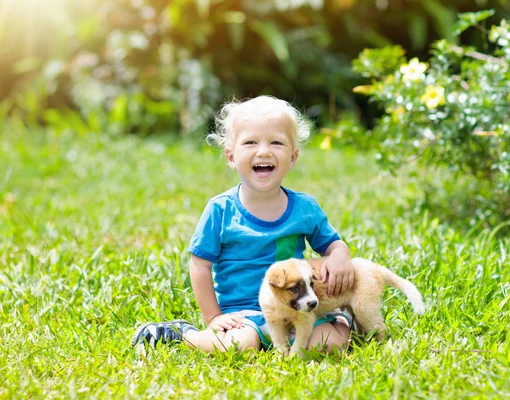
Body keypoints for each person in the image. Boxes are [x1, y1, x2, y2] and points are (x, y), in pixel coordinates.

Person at [131, 96, 354, 354]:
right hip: (244, 315)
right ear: (231, 157)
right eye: (250, 142)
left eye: (276, 143)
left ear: (292, 157)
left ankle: (340, 321)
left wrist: (340, 254)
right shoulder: (220, 210)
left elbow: (332, 245)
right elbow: (200, 265)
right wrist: (214, 317)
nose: (263, 151)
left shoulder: (305, 208)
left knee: (330, 343)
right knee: (240, 345)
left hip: (295, 310)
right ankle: (183, 334)